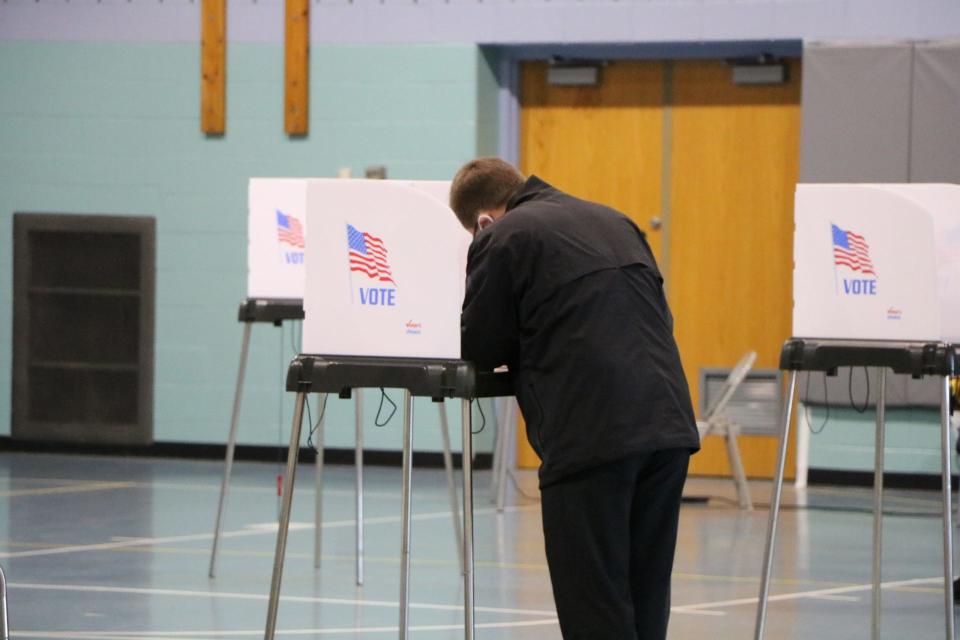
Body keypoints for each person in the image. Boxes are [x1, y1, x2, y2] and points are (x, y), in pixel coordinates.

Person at [450, 157, 701, 640]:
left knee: (595, 603)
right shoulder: (614, 220)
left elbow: (480, 343)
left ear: (481, 221)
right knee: (646, 593)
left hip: (590, 435)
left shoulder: (503, 237)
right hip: (667, 426)